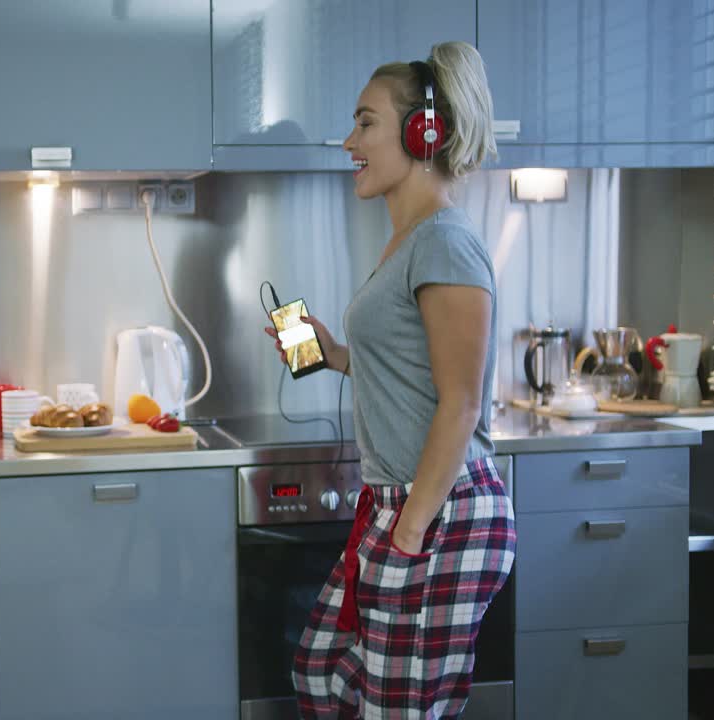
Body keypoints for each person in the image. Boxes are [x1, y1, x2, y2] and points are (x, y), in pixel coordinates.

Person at [263, 41, 515, 719]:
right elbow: (414, 371)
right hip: (398, 507)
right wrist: (333, 353)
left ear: (421, 132)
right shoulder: (409, 244)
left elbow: (460, 404)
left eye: (365, 122)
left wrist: (408, 534)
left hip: (440, 513)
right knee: (321, 669)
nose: (350, 141)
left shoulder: (445, 243)